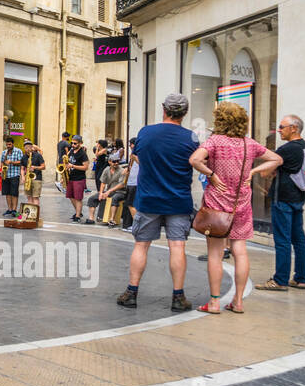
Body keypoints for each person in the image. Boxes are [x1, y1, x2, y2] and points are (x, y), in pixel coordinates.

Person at [190, 102, 282, 312]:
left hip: (216, 204)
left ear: (220, 120)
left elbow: (194, 159)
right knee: (240, 250)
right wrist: (253, 172)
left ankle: (214, 302)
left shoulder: (214, 141)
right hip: (240, 204)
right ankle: (238, 301)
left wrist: (211, 175)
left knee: (215, 253)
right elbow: (277, 159)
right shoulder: (249, 144)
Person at [117, 94, 197, 312]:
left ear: (164, 109)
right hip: (178, 200)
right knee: (177, 246)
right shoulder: (191, 138)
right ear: (184, 113)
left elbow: (139, 157)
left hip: (149, 198)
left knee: (141, 245)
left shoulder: (146, 132)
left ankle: (131, 293)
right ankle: (178, 297)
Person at [257, 114, 305, 291]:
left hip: (282, 198)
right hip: (299, 197)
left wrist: (270, 170)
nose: (279, 130)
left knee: (282, 240)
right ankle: (301, 278)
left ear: (294, 128)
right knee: (299, 239)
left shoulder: (287, 149)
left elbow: (265, 173)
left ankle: (280, 280)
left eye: (282, 127)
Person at [95, 157, 129, 227]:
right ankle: (93, 218)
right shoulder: (107, 169)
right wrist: (101, 193)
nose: (116, 163)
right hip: (110, 191)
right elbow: (103, 183)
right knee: (94, 198)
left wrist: (109, 191)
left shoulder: (122, 171)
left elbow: (122, 185)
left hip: (121, 192)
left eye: (117, 161)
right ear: (109, 162)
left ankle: (112, 219)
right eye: (114, 161)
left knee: (115, 198)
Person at [66, 136, 91, 222]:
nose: (72, 145)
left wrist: (72, 166)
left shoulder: (82, 153)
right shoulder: (71, 151)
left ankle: (77, 216)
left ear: (80, 143)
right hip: (70, 177)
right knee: (70, 196)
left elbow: (85, 167)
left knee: (78, 198)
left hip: (79, 178)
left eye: (75, 143)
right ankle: (78, 212)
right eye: (72, 143)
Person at [0, 136, 23, 216]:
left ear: (13, 144)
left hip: (15, 175)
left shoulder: (18, 151)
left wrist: (11, 162)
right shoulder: (4, 152)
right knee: (7, 193)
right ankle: (9, 209)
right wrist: (2, 170)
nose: (8, 146)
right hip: (6, 175)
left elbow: (21, 162)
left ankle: (14, 210)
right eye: (7, 145)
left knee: (14, 193)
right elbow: (2, 162)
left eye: (9, 144)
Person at [22, 140, 45, 211]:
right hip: (28, 179)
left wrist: (35, 167)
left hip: (37, 178)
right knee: (29, 197)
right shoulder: (24, 157)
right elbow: (22, 168)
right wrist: (23, 177)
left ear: (32, 147)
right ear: (24, 148)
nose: (28, 149)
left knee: (35, 197)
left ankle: (35, 214)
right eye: (26, 147)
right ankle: (30, 214)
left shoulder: (38, 155)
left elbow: (43, 167)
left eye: (29, 147)